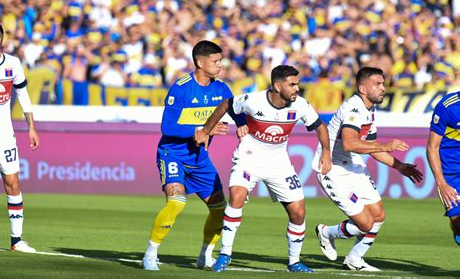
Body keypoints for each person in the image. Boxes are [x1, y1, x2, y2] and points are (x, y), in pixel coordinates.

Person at [195, 65, 332, 273]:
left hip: (279, 163)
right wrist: (206, 130)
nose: (297, 88)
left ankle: (294, 262)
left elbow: (320, 126)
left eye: (298, 84)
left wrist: (326, 152)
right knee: (236, 196)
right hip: (249, 157)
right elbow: (227, 104)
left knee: (298, 212)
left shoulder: (301, 105)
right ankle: (225, 254)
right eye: (292, 84)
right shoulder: (254, 100)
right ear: (277, 86)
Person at [142, 40, 246, 271]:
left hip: (200, 159)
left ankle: (205, 255)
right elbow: (167, 127)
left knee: (220, 209)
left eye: (221, 60)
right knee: (177, 202)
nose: (220, 65)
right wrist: (199, 131)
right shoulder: (181, 87)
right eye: (216, 61)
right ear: (200, 62)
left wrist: (242, 125)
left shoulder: (221, 89)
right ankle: (150, 254)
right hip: (173, 154)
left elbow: (236, 110)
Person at [312, 66, 423, 271]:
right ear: (363, 88)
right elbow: (349, 143)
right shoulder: (354, 108)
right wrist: (385, 145)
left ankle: (354, 259)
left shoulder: (369, 109)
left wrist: (400, 167)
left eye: (383, 83)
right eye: (378, 84)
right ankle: (326, 232)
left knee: (378, 216)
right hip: (332, 170)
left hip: (353, 164)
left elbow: (371, 147)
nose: (383, 88)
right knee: (365, 224)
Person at [0, 22, 39, 252]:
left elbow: (23, 94)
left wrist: (31, 127)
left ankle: (16, 241)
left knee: (13, 183)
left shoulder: (13, 64)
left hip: (3, 134)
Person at [427, 91, 460, 246]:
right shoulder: (448, 106)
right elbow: (432, 147)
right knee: (458, 223)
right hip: (451, 174)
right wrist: (442, 184)